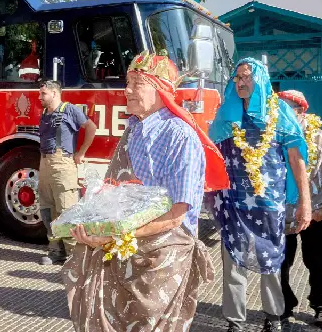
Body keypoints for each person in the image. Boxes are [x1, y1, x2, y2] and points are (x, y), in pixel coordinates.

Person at [62, 50, 228, 331]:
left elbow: (177, 214)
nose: (126, 90)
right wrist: (94, 223)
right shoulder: (133, 129)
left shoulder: (180, 136)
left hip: (162, 259)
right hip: (123, 251)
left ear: (161, 90)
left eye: (137, 83)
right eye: (127, 81)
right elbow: (114, 191)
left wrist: (113, 235)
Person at [208, 58, 312, 332]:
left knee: (271, 260)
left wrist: (305, 202)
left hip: (269, 204)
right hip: (233, 202)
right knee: (231, 262)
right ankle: (235, 321)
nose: (241, 82)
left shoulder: (279, 113)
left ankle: (274, 316)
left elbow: (296, 159)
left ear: (261, 80)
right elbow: (213, 155)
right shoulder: (226, 112)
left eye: (247, 77)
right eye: (237, 78)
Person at [277, 90, 322, 329]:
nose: (280, 114)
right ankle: (283, 305)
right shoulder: (271, 136)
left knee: (318, 263)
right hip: (282, 214)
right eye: (278, 108)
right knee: (280, 264)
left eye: (287, 108)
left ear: (301, 110)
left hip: (314, 213)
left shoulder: (318, 137)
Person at [37, 80, 97, 265]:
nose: (40, 97)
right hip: (45, 163)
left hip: (63, 164)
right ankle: (56, 251)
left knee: (67, 210)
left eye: (43, 94)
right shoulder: (45, 113)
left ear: (55, 93)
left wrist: (81, 153)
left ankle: (75, 256)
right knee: (48, 210)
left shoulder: (70, 110)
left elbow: (91, 128)